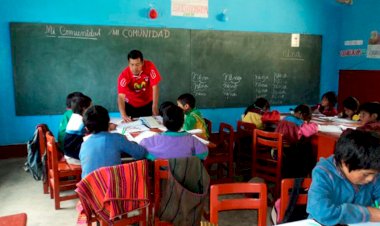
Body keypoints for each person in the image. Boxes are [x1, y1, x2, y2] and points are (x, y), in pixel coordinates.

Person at [307, 129, 380, 225]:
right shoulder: (324, 174)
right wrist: (368, 214)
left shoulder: (371, 170)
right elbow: (321, 213)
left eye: (375, 174)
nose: (371, 179)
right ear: (345, 163)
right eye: (366, 174)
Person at [79, 105, 147, 178]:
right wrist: (130, 142)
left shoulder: (84, 144)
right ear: (108, 122)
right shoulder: (117, 138)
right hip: (113, 187)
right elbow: (141, 153)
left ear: (87, 129)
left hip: (88, 187)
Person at [140, 105, 208, 160]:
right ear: (183, 123)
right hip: (185, 174)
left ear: (163, 123)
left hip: (162, 174)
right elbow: (204, 154)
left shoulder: (155, 139)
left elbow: (143, 149)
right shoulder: (192, 140)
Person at [117, 49, 161, 122]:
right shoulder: (124, 76)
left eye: (137, 64)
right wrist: (123, 115)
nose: (135, 68)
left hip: (148, 104)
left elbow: (155, 86)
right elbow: (121, 97)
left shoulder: (149, 66)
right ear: (128, 63)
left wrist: (154, 106)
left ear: (142, 63)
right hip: (131, 106)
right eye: (132, 64)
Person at [275, 104, 318, 177]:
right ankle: (303, 177)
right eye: (306, 118)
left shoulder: (285, 118)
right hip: (288, 151)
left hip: (277, 149)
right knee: (308, 148)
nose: (305, 121)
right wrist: (313, 124)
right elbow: (308, 132)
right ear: (302, 114)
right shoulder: (298, 122)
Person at [63, 95, 92, 165]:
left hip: (69, 154)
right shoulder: (81, 122)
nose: (92, 110)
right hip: (74, 157)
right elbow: (91, 136)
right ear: (84, 108)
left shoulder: (74, 117)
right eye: (90, 107)